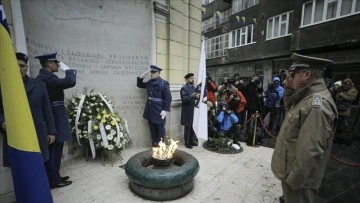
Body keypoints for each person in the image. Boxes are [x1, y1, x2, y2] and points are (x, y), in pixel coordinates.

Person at [271, 53, 338, 203]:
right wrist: (289, 88)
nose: (288, 77)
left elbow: (311, 150)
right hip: (291, 173)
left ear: (307, 74)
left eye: (293, 74)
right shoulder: (306, 96)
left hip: (298, 182)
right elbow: (290, 110)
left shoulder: (317, 105)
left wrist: (295, 181)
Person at [0, 52, 57, 167]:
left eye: (22, 66)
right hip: (15, 136)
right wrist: (2, 121)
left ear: (26, 68)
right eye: (15, 66)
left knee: (38, 165)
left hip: (37, 133)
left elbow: (47, 110)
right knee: (19, 167)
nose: (19, 69)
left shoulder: (39, 86)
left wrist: (51, 132)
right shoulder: (3, 87)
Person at [35, 52, 76, 189]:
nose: (58, 65)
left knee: (56, 148)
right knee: (55, 149)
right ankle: (53, 180)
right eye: (56, 63)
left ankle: (54, 176)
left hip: (54, 114)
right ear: (49, 64)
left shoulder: (44, 77)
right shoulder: (48, 78)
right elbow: (70, 81)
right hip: (54, 115)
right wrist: (68, 69)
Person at [137, 65, 172, 147]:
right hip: (150, 109)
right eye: (151, 72)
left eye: (154, 72)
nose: (151, 74)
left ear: (158, 73)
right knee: (152, 129)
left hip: (159, 110)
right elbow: (140, 85)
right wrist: (142, 76)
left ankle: (161, 147)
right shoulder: (150, 82)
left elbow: (168, 98)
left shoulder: (163, 83)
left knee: (160, 129)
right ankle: (154, 146)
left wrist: (165, 110)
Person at [333, 78, 358, 144]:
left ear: (350, 85)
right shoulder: (341, 89)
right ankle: (336, 137)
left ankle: (343, 138)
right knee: (336, 124)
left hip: (345, 110)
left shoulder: (354, 91)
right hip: (338, 108)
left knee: (343, 125)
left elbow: (351, 98)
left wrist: (341, 95)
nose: (345, 86)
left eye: (347, 85)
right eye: (344, 84)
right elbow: (336, 97)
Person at [180, 73, 199, 148]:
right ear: (187, 79)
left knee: (192, 126)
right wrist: (191, 95)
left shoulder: (194, 87)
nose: (192, 80)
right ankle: (187, 142)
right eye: (191, 78)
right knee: (187, 127)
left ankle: (191, 140)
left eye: (193, 78)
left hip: (193, 109)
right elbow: (184, 99)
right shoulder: (184, 88)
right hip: (187, 110)